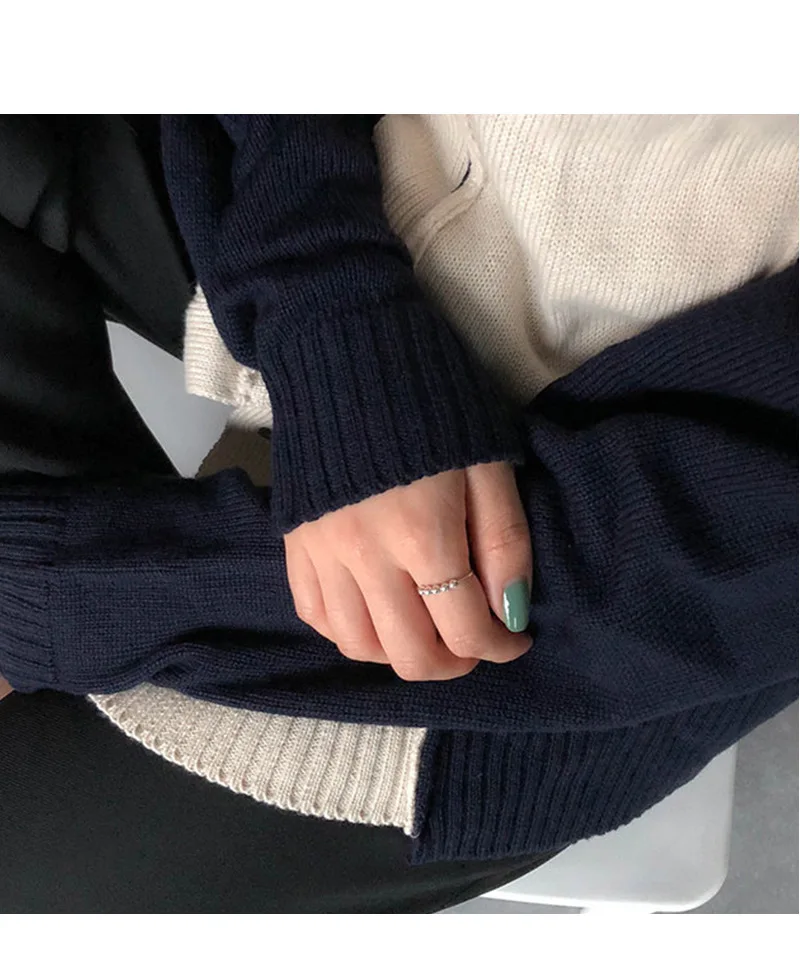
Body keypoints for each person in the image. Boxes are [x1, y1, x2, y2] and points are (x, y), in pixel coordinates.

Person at [0, 114, 797, 912]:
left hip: (539, 658)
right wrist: (333, 310)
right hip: (333, 192)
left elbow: (650, 575)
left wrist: (57, 592)